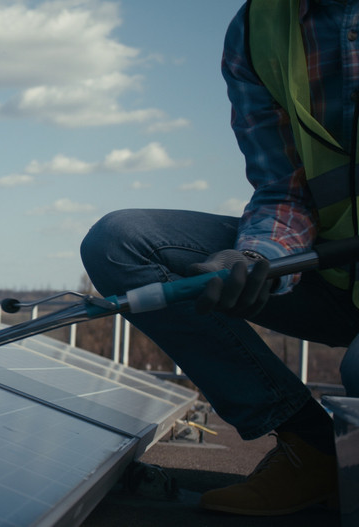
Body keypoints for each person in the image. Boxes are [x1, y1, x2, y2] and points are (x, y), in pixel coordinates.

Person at [80, 0, 358, 516]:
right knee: (120, 242)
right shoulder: (258, 29)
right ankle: (313, 446)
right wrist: (256, 256)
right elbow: (284, 191)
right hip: (334, 276)